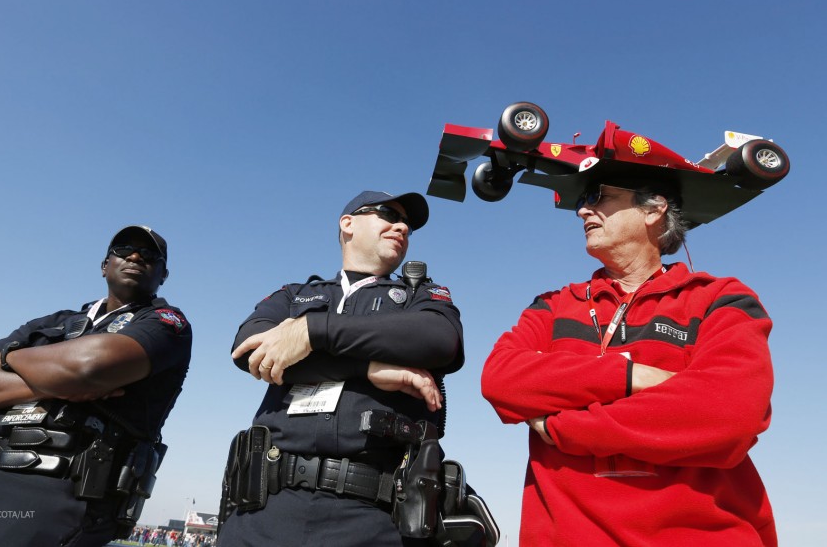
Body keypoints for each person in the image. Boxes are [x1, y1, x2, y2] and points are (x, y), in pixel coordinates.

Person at [481, 158, 777, 546]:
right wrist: (629, 376)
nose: (583, 210)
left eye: (599, 196)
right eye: (583, 201)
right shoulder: (553, 305)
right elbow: (501, 379)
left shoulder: (720, 299)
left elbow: (730, 413)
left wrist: (560, 425)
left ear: (654, 209)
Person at [217, 190, 464, 547]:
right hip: (262, 510)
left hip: (371, 517)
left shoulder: (420, 298)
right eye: (388, 214)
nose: (402, 227)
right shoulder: (295, 294)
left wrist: (312, 331)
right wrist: (367, 368)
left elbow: (439, 340)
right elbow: (249, 348)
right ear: (348, 223)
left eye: (407, 224)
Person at [0, 225, 192, 547]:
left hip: (53, 491)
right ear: (104, 265)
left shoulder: (166, 323)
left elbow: (85, 368)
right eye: (123, 249)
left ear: (163, 273)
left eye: (149, 255)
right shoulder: (53, 322)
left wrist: (8, 359)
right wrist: (51, 384)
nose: (134, 256)